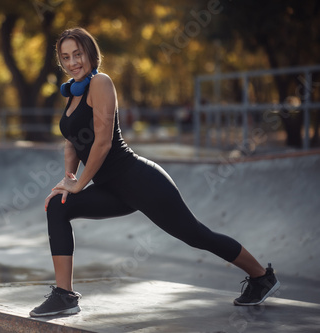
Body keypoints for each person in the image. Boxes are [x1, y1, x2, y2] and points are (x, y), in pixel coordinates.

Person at [29, 27, 280, 317]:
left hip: (138, 180)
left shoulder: (100, 83)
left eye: (78, 54)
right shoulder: (73, 92)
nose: (73, 62)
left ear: (90, 54)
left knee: (196, 235)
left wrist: (80, 184)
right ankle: (64, 296)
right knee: (57, 207)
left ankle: (262, 277)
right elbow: (71, 143)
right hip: (112, 188)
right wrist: (68, 179)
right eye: (66, 57)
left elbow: (103, 141)